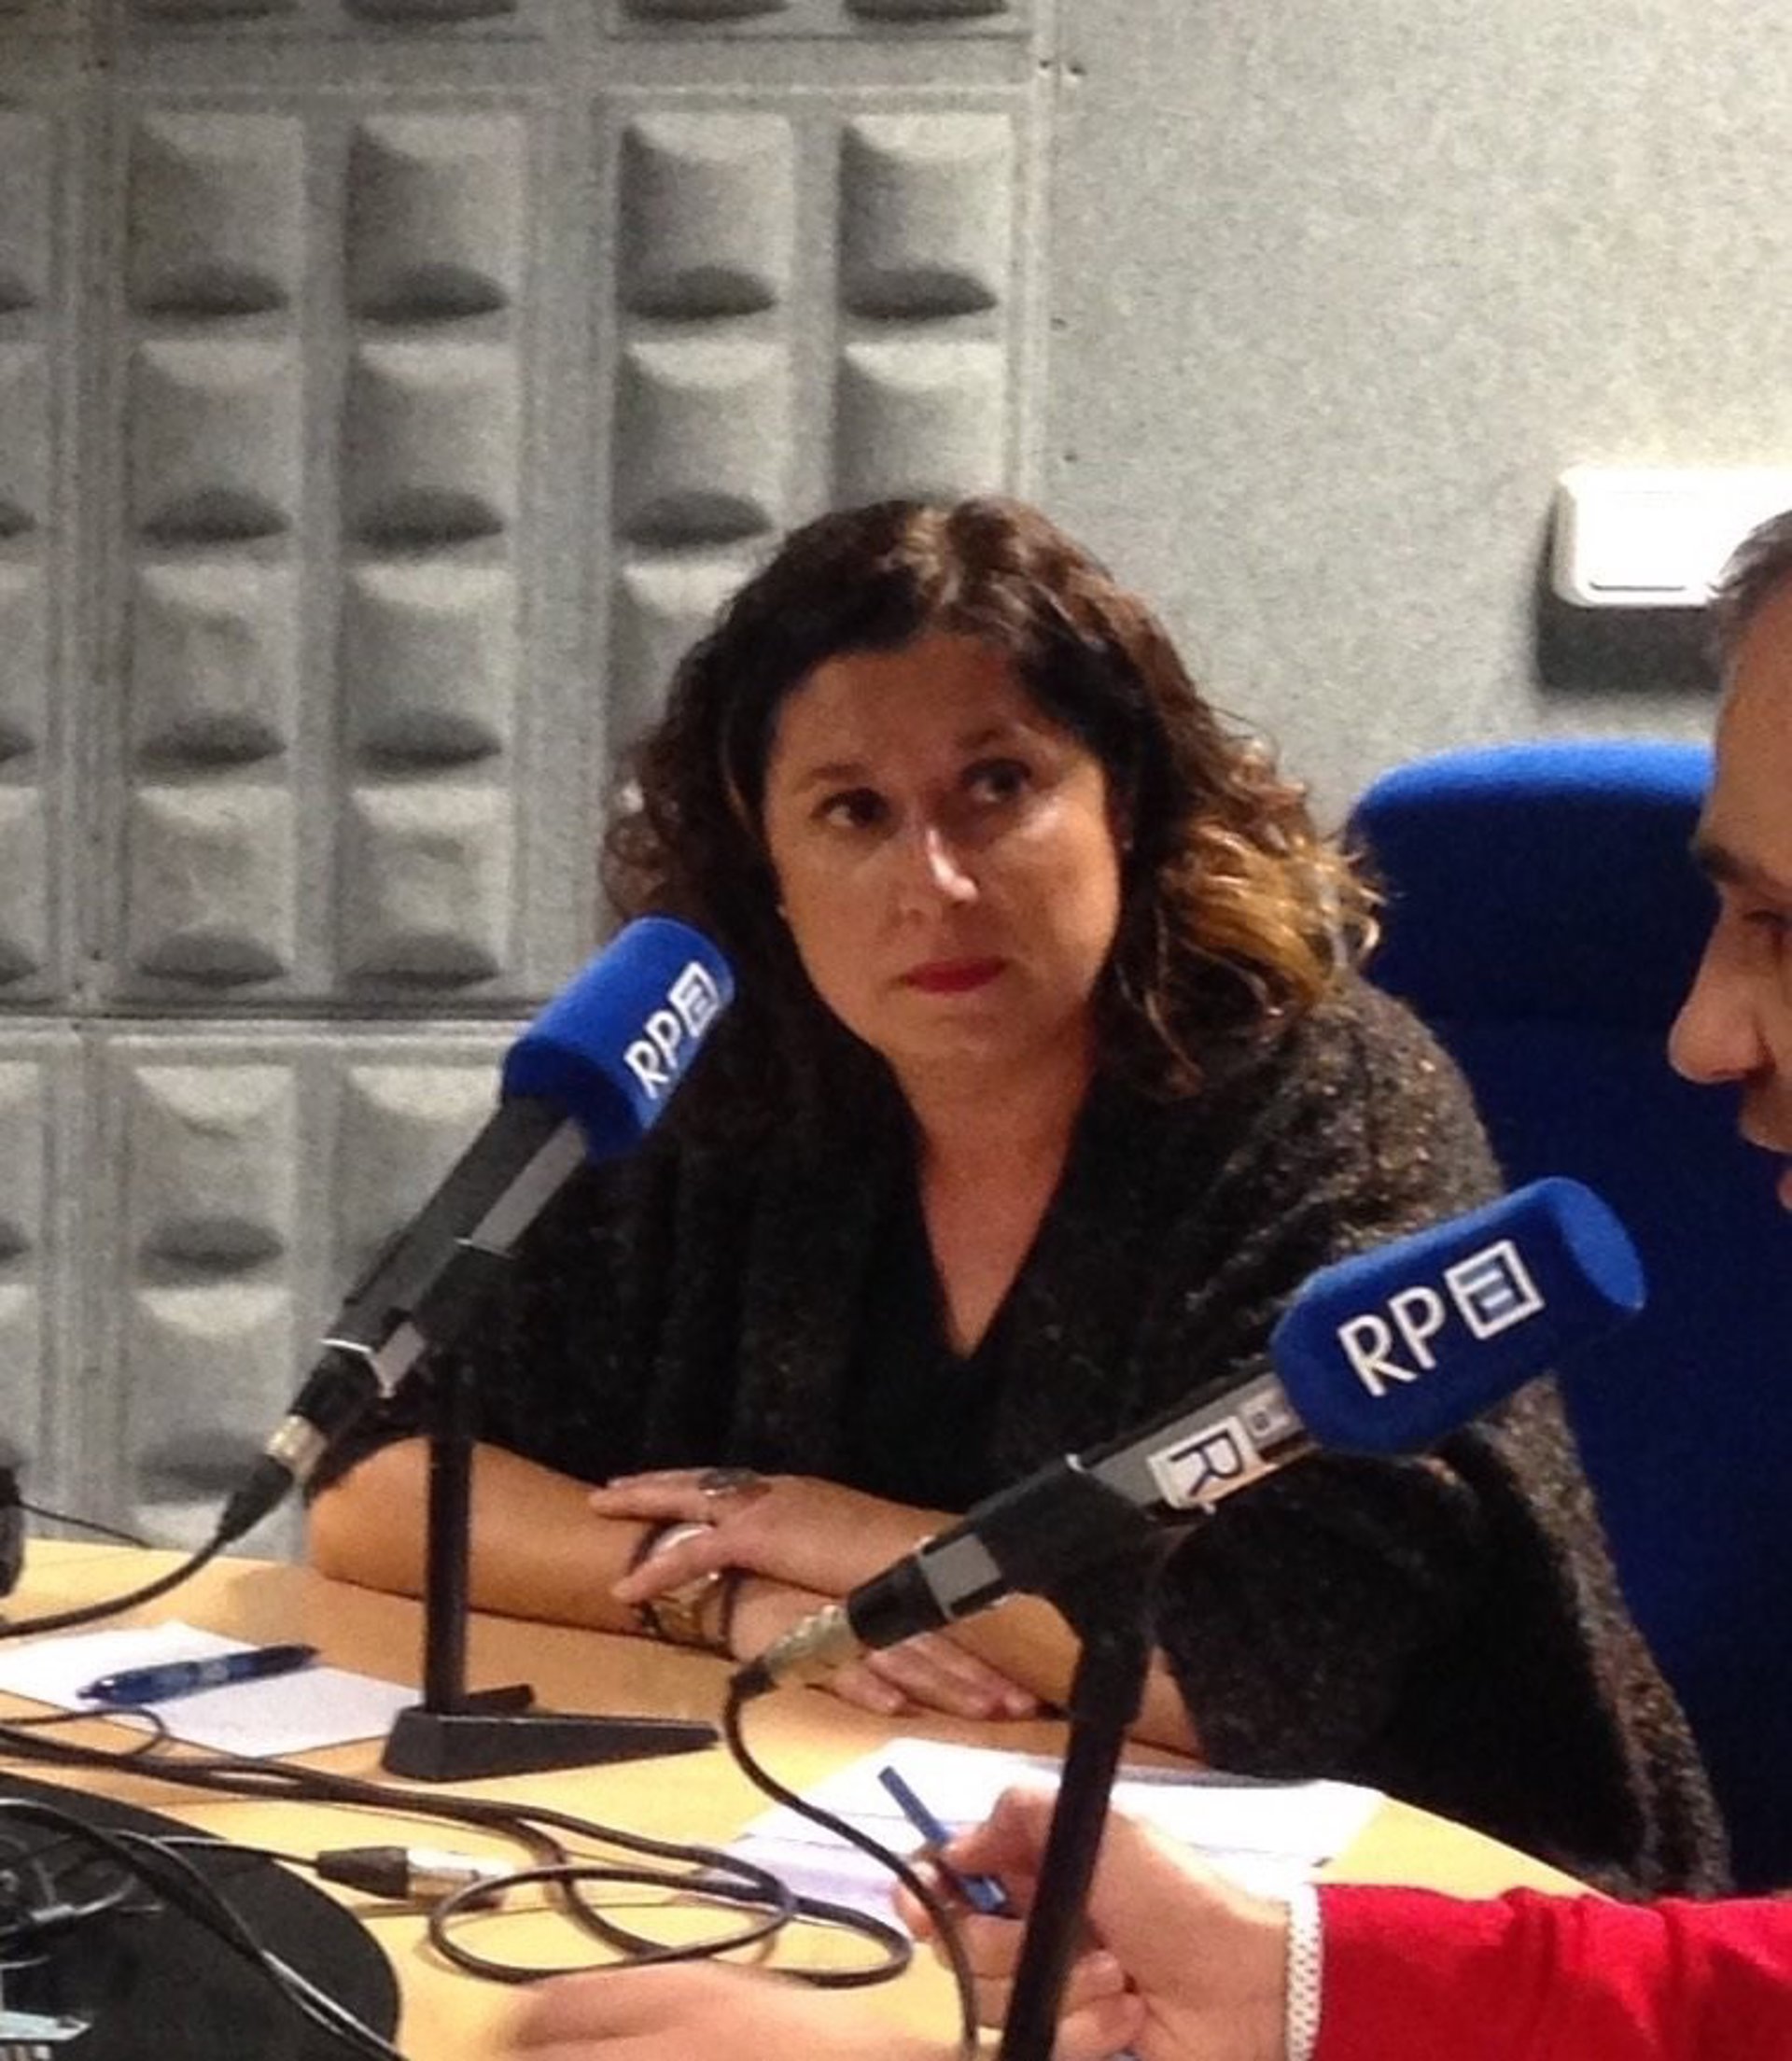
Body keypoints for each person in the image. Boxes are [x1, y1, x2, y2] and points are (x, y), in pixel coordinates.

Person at [491, 505, 1792, 2061]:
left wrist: (829, 1534)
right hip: (1152, 1934)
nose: (933, 879)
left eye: (998, 787)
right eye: (851, 811)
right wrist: (734, 1590)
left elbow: (1254, 1673)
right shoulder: (746, 1086)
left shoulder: (1322, 1105)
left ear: (1131, 803)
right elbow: (390, 1480)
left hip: (1449, 1877)